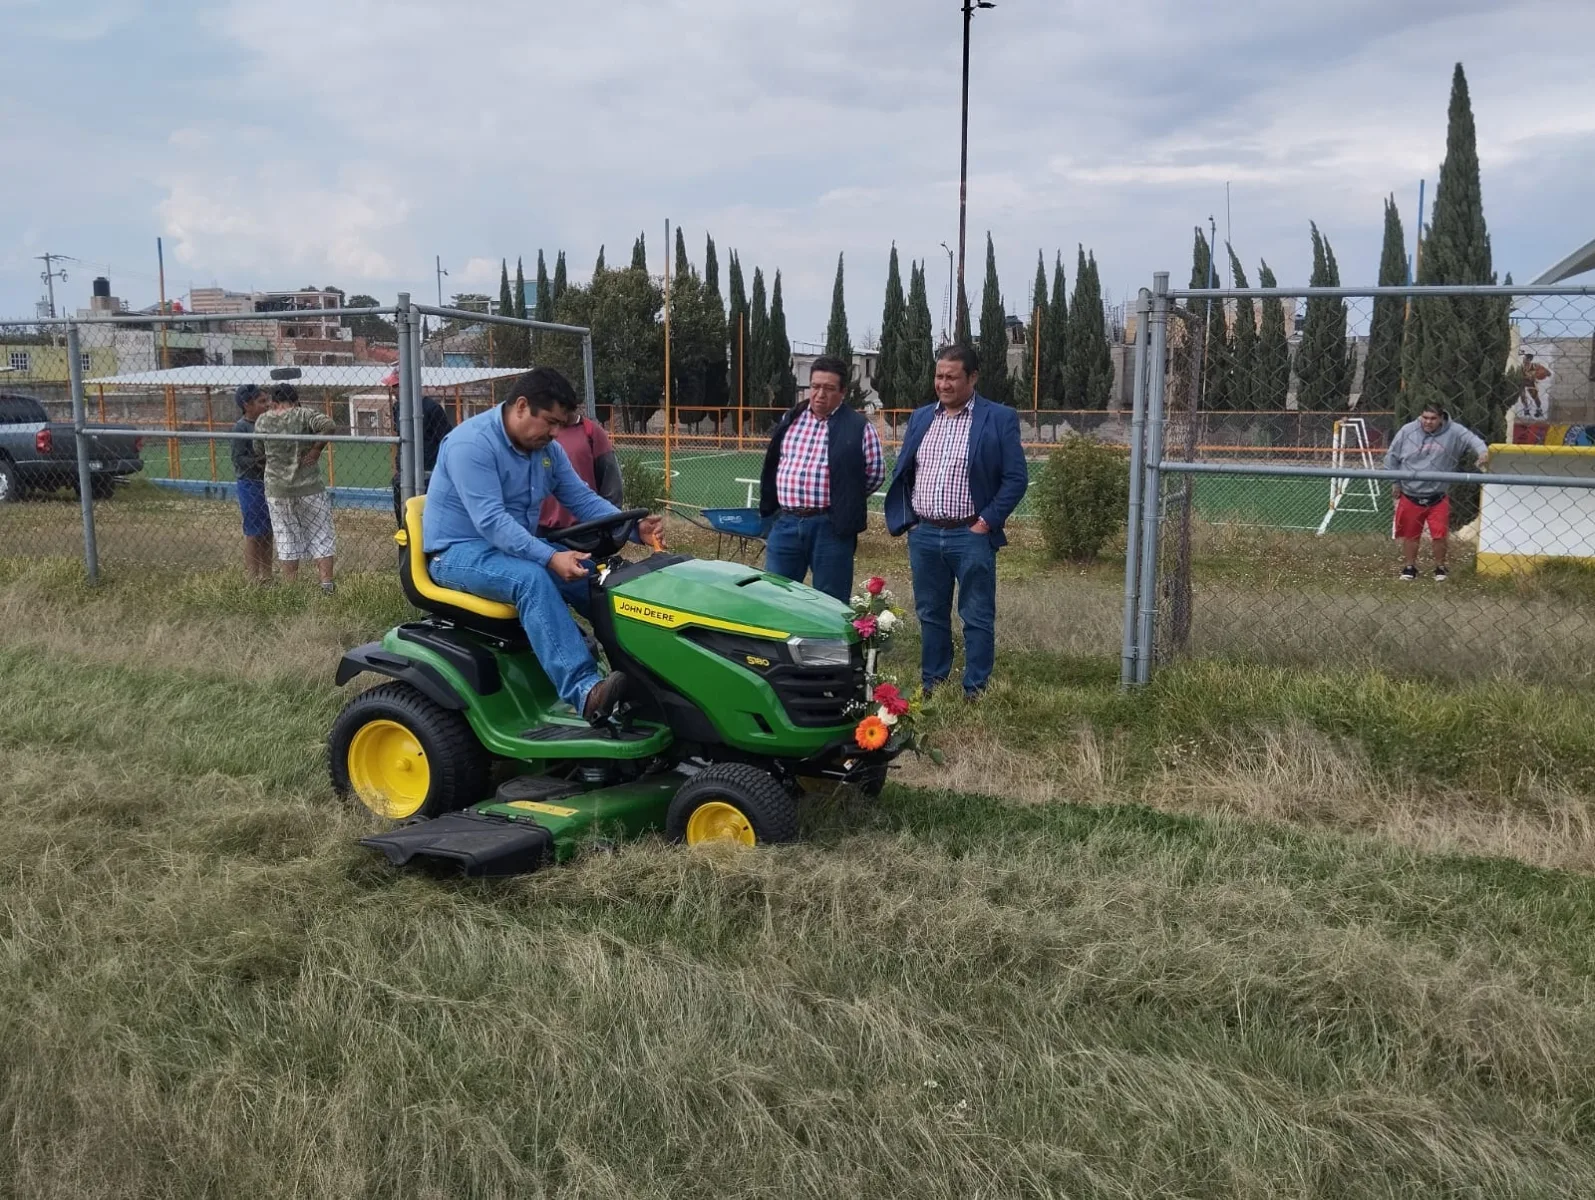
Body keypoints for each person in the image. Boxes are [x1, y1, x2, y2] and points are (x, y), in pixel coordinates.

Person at [423, 367, 664, 722]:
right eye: (550, 422)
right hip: (457, 552)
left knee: (597, 579)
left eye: (560, 425)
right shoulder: (470, 445)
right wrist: (550, 557)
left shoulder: (546, 450)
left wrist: (632, 527)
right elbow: (491, 522)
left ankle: (648, 676)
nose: (555, 433)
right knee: (531, 579)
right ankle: (586, 692)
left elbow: (582, 499)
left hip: (510, 547)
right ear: (521, 406)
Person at [884, 345, 1028, 698]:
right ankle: (933, 681)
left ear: (973, 377)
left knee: (976, 615)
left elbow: (1015, 478)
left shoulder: (998, 418)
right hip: (925, 534)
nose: (943, 384)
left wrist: (986, 522)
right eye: (939, 376)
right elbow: (905, 471)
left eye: (952, 377)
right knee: (930, 613)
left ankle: (975, 688)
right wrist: (912, 522)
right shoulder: (920, 418)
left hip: (971, 534)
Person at [757, 354, 885, 601]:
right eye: (815, 387)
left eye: (828, 388)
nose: (819, 394)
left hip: (831, 527)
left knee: (831, 601)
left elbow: (875, 474)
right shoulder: (791, 418)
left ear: (843, 392)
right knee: (775, 596)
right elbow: (774, 461)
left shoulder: (858, 427)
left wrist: (843, 496)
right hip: (786, 523)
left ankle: (827, 642)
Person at [1384, 402, 1490, 582]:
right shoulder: (1407, 430)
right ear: (1420, 416)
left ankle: (1440, 568)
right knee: (1411, 535)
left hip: (1438, 495)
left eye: (1433, 418)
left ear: (1441, 418)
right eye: (1425, 418)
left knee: (1439, 535)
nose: (1428, 422)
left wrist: (1482, 452)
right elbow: (1391, 456)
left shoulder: (1454, 431)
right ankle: (1410, 567)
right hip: (1410, 494)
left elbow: (1474, 440)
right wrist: (1395, 483)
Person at [254, 382, 338, 594]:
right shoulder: (303, 414)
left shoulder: (263, 420)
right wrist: (316, 450)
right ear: (295, 399)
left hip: (277, 487)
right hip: (308, 485)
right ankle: (326, 584)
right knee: (321, 532)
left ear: (274, 401)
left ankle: (291, 587)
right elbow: (329, 425)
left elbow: (258, 449)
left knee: (285, 535)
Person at [538, 408, 624, 553]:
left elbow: (611, 486)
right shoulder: (536, 436)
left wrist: (614, 525)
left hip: (585, 534)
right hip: (542, 533)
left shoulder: (591, 432)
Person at [390, 388, 455, 527]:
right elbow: (401, 437)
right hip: (406, 467)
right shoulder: (398, 408)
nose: (393, 390)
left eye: (396, 386)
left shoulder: (431, 408)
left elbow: (446, 438)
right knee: (399, 491)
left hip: (429, 468)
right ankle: (404, 532)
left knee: (427, 511)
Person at [231, 384, 273, 584]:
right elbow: (239, 459)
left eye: (267, 400)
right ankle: (252, 576)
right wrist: (261, 460)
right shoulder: (242, 427)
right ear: (247, 405)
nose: (267, 405)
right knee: (254, 532)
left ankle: (267, 575)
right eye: (262, 401)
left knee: (267, 531)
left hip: (269, 483)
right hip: (251, 484)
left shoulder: (268, 423)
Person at [1517, 351, 1554, 421]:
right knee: (1522, 395)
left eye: (1524, 358)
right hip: (1523, 382)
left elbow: (1548, 373)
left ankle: (1539, 409)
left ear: (1528, 359)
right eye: (1523, 358)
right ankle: (1526, 409)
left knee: (1535, 397)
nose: (1523, 359)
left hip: (1531, 383)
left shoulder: (1535, 366)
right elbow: (1519, 376)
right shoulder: (1521, 367)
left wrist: (1545, 373)